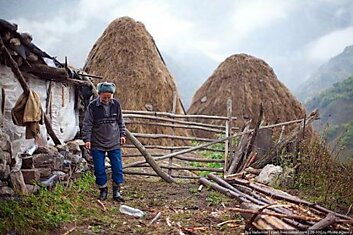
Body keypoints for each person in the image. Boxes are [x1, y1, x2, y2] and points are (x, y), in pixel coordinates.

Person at [82, 82, 126, 201]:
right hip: (97, 142)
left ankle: (117, 192)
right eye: (104, 97)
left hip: (114, 141)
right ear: (99, 94)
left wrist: (122, 134)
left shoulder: (116, 105)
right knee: (99, 168)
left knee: (117, 168)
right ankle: (103, 190)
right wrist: (87, 139)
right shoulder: (92, 106)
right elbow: (87, 123)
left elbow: (121, 121)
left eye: (109, 97)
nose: (107, 99)